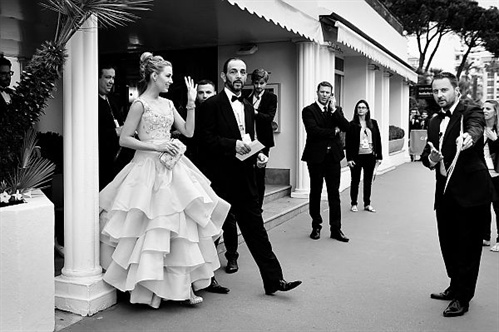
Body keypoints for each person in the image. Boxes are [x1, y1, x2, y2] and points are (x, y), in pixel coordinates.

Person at [99, 52, 230, 308]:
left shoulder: (169, 104)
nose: (171, 81)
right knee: (147, 229)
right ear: (154, 75)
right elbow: (124, 139)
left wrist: (192, 103)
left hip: (172, 168)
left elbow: (189, 132)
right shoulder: (139, 105)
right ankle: (145, 288)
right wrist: (157, 146)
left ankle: (182, 288)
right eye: (168, 76)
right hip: (145, 168)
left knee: (179, 229)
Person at [197, 57, 301, 295]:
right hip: (219, 180)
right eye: (233, 72)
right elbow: (205, 141)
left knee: (256, 230)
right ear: (224, 76)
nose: (238, 76)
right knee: (210, 232)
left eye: (242, 72)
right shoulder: (211, 104)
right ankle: (204, 279)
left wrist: (259, 155)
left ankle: (274, 280)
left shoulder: (246, 106)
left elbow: (249, 138)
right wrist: (232, 144)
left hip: (245, 179)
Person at [421, 72, 494, 317]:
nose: (439, 95)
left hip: (471, 193)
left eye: (444, 90)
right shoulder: (432, 121)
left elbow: (475, 128)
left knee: (468, 248)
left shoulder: (470, 111)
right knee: (448, 244)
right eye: (435, 91)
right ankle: (454, 285)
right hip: (444, 194)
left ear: (456, 90)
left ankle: (463, 297)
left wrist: (469, 138)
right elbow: (426, 154)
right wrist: (430, 159)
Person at [301, 81, 350, 242]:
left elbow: (346, 127)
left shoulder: (336, 110)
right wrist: (333, 131)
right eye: (322, 92)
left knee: (334, 194)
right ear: (317, 92)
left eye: (328, 92)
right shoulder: (308, 110)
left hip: (333, 158)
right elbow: (313, 131)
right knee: (315, 192)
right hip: (315, 157)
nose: (324, 95)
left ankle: (336, 229)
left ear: (331, 94)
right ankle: (316, 225)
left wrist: (334, 110)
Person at [98, 64, 133, 190]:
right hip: (102, 161)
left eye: (113, 78)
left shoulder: (112, 100)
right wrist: (115, 132)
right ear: (97, 78)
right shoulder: (91, 101)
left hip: (118, 160)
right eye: (108, 77)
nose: (111, 81)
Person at [246, 68, 277, 209]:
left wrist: (255, 112)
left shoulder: (271, 98)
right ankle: (249, 203)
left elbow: (269, 117)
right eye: (256, 83)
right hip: (248, 140)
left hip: (263, 142)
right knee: (248, 173)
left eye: (262, 83)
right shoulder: (246, 95)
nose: (258, 86)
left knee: (259, 173)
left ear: (266, 83)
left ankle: (258, 206)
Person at [345, 100, 382, 213]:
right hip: (357, 156)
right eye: (359, 107)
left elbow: (378, 140)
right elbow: (348, 142)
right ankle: (354, 203)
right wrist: (349, 158)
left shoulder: (373, 123)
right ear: (356, 110)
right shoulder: (352, 124)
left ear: (367, 110)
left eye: (363, 107)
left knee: (368, 181)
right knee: (355, 180)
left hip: (370, 155)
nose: (361, 109)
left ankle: (367, 203)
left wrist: (379, 156)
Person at [482, 99, 499, 252]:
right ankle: (485, 237)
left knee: (498, 207)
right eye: (483, 108)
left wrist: (496, 140)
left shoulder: (497, 130)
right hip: (481, 172)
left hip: (497, 173)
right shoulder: (478, 127)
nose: (484, 110)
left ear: (496, 111)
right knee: (483, 206)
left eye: (488, 108)